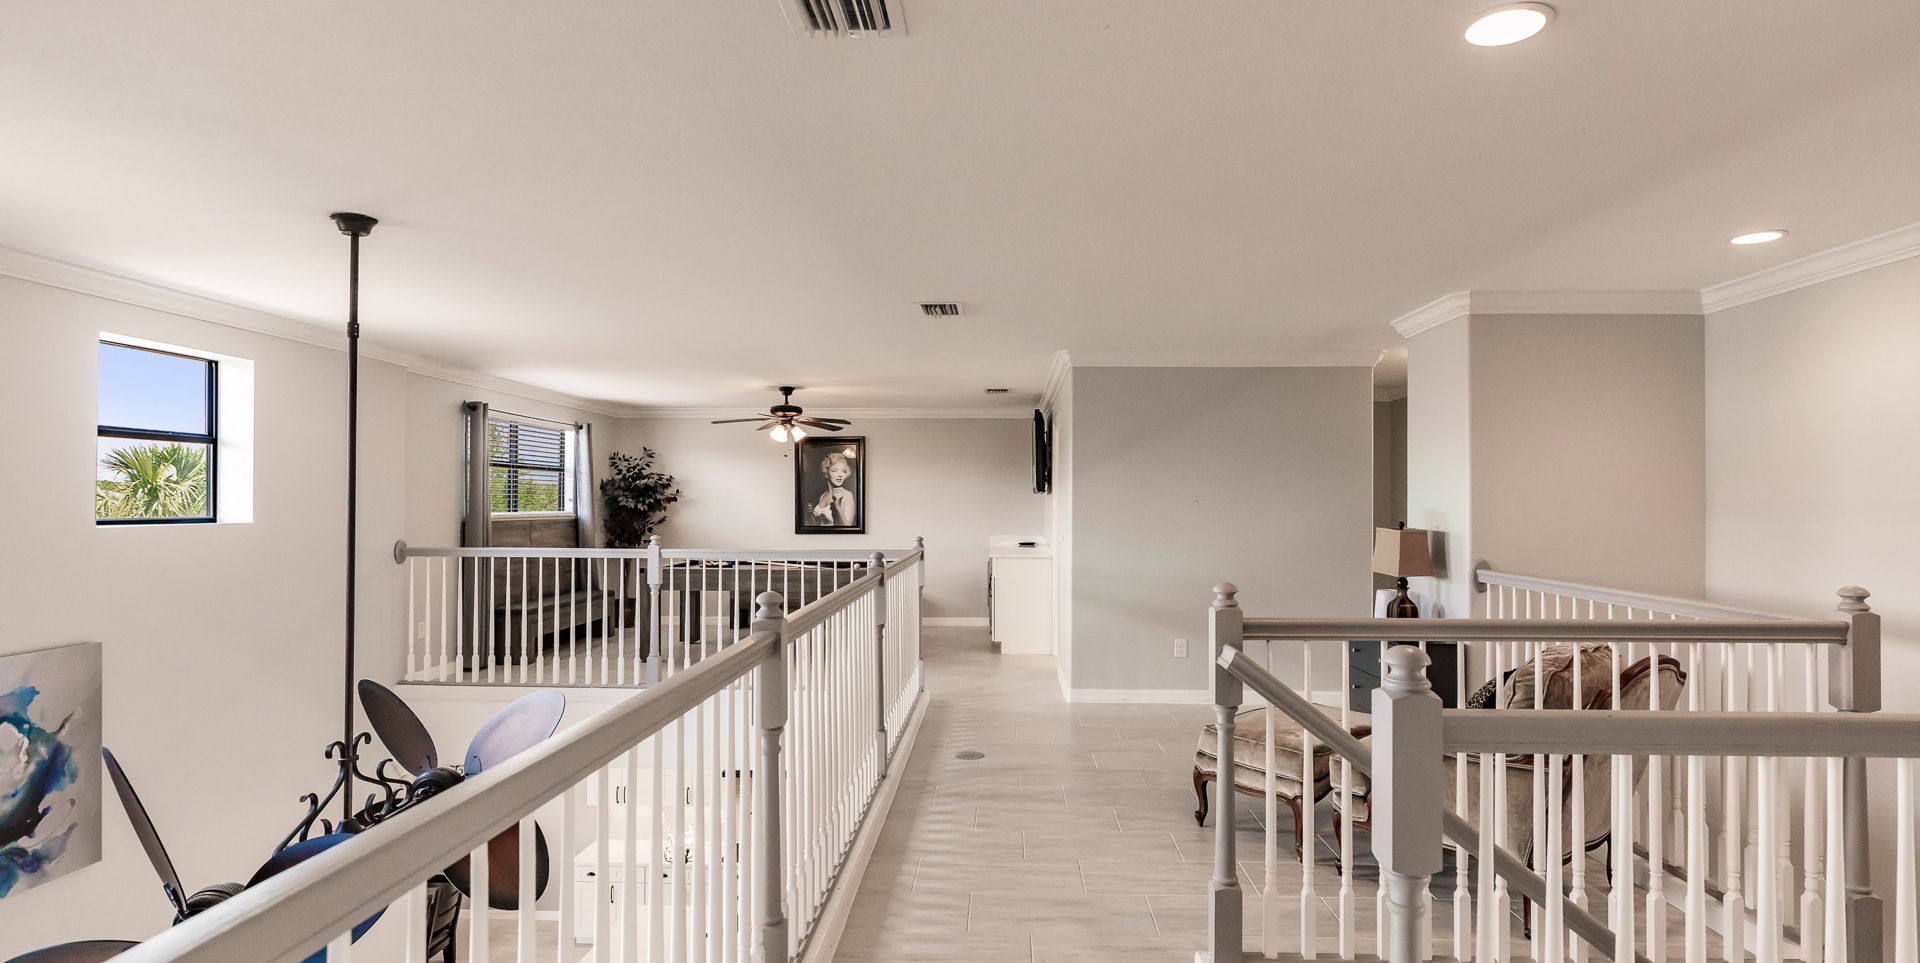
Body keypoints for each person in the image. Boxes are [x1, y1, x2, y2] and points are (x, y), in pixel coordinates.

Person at [810, 451, 856, 526]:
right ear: (826, 472)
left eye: (843, 471)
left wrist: (837, 507)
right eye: (834, 470)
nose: (840, 475)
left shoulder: (847, 495)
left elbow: (848, 528)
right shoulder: (823, 495)